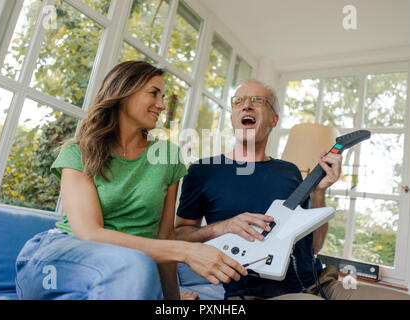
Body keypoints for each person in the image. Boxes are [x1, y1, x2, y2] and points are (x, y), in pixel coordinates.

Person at [15, 61, 247, 300]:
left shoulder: (167, 156)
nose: (161, 105)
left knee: (137, 268)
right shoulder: (79, 152)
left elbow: (164, 236)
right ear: (123, 93)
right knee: (134, 266)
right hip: (58, 258)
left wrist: (173, 300)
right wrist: (187, 251)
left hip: (131, 266)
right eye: (154, 93)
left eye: (163, 96)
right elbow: (89, 233)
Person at [175, 79, 410, 300]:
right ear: (233, 116)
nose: (246, 106)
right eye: (238, 101)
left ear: (273, 120)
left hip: (320, 282)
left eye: (257, 101)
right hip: (253, 291)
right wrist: (223, 227)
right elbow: (179, 235)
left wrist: (319, 192)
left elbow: (313, 247)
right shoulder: (203, 170)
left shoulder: (289, 171)